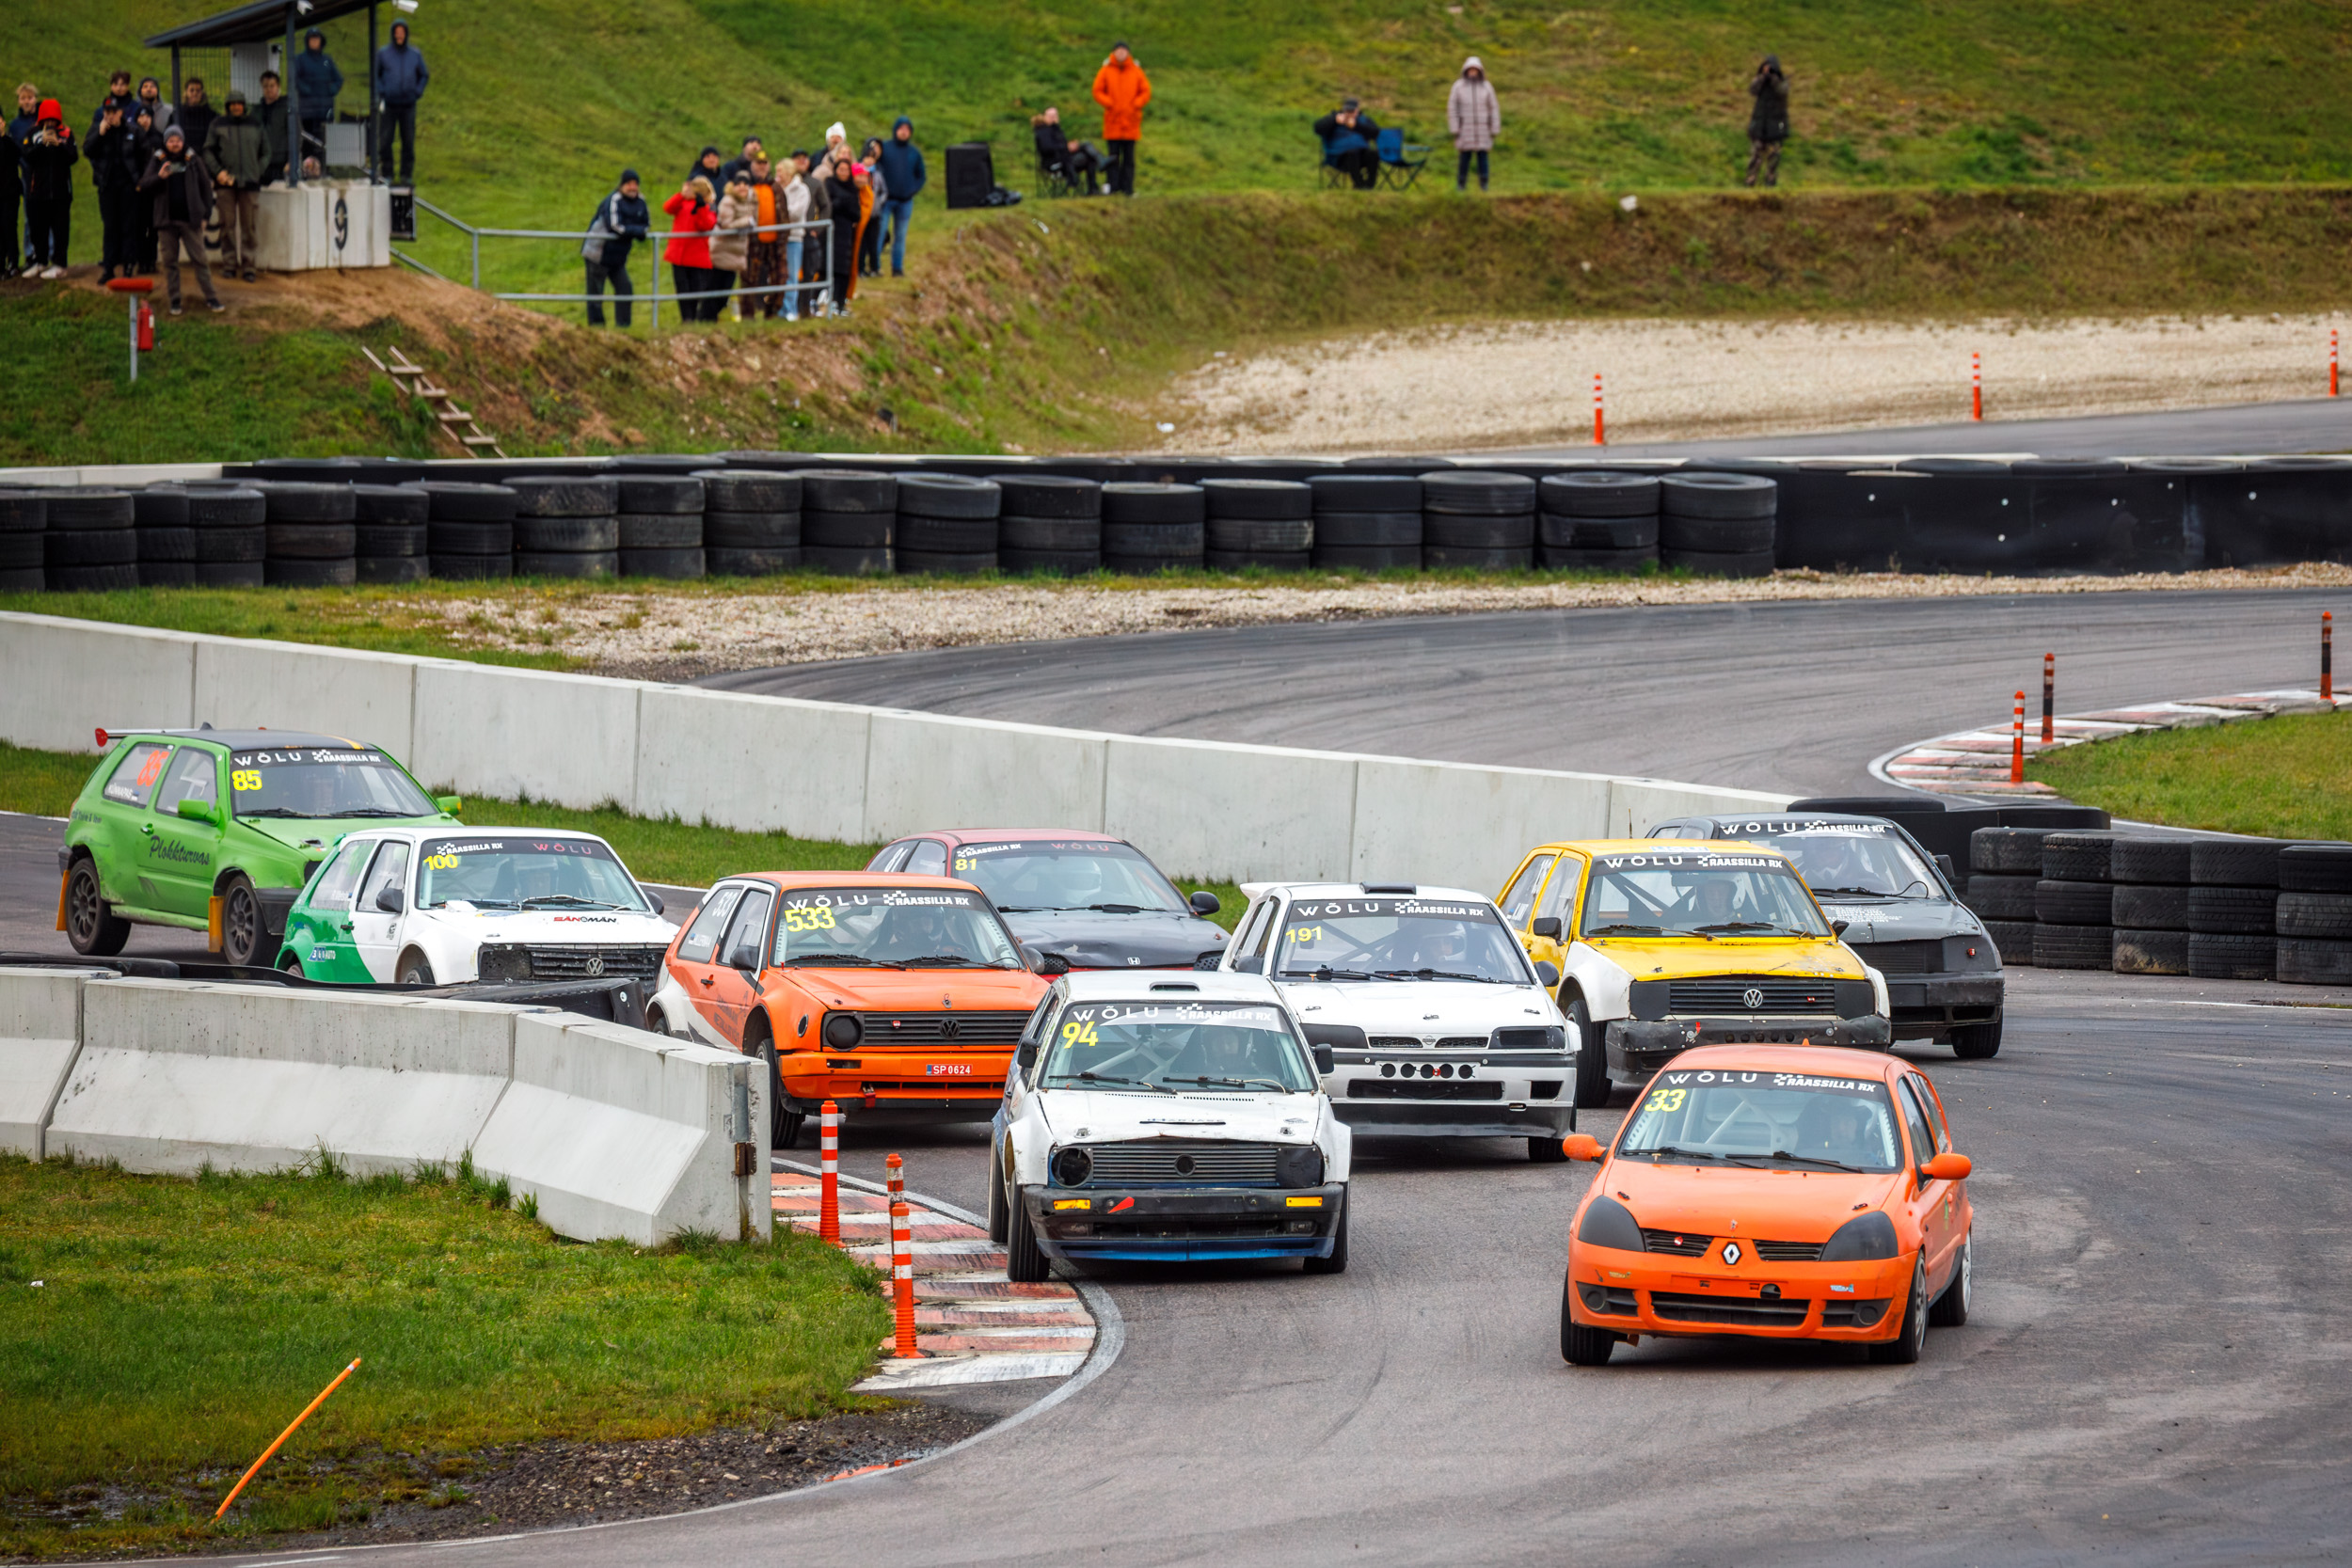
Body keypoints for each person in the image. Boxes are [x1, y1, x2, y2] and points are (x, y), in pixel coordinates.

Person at [139, 123, 221, 313]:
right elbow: (144, 184)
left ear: (183, 141)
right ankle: (175, 300)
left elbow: (206, 188)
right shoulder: (158, 159)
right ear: (165, 142)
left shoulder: (193, 159)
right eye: (171, 140)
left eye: (178, 140)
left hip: (190, 220)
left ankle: (211, 298)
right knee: (170, 263)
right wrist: (160, 177)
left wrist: (206, 215)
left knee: (200, 260)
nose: (175, 144)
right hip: (166, 221)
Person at [206, 90, 267, 282]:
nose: (236, 107)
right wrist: (218, 172)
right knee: (227, 225)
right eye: (232, 104)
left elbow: (266, 152)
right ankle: (229, 264)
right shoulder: (217, 124)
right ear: (227, 106)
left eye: (239, 103)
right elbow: (208, 151)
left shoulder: (255, 124)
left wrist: (257, 171)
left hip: (250, 184)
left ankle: (249, 266)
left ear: (244, 105)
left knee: (249, 227)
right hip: (225, 184)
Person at [581, 167, 649, 326]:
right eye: (629, 184)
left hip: (618, 257)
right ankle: (597, 327)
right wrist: (636, 231)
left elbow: (646, 225)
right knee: (595, 293)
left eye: (635, 184)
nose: (632, 187)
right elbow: (615, 226)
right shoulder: (613, 200)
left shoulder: (641, 202)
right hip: (598, 253)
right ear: (622, 185)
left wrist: (635, 231)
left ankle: (623, 327)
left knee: (625, 289)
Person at [19, 100, 76, 280]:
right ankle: (40, 261)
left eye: (53, 120)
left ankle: (60, 264)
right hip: (38, 191)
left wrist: (58, 145)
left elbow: (73, 157)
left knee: (60, 230)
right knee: (38, 229)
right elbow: (27, 156)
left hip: (61, 192)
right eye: (47, 120)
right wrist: (41, 144)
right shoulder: (32, 133)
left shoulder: (66, 133)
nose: (50, 123)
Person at [1091, 41, 1151, 196]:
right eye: (1118, 51)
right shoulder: (1106, 70)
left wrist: (1136, 104)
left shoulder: (1136, 71)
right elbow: (1097, 91)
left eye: (1123, 51)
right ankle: (1113, 187)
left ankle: (1128, 189)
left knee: (1129, 158)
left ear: (1128, 53)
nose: (1121, 54)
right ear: (1114, 53)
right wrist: (1109, 103)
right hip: (1113, 121)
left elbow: (1145, 91)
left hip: (1131, 121)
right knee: (1113, 157)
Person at [372, 19, 427, 182]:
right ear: (393, 34)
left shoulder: (415, 55)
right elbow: (376, 75)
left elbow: (424, 75)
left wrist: (417, 92)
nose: (399, 35)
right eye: (397, 32)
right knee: (385, 140)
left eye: (402, 32)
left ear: (406, 34)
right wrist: (382, 92)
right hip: (389, 105)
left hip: (408, 105)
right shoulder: (384, 54)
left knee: (408, 141)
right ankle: (387, 173)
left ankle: (406, 175)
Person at [88, 100, 137, 282]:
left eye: (113, 112)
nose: (110, 116)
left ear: (120, 113)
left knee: (128, 225)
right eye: (107, 112)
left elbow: (142, 153)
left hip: (127, 186)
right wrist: (99, 134)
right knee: (110, 226)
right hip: (107, 186)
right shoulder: (98, 130)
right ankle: (109, 268)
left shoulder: (132, 130)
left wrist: (137, 179)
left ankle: (128, 265)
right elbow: (88, 150)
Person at [661, 174, 717, 322]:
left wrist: (701, 207)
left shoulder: (708, 206)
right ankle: (687, 319)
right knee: (682, 289)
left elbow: (706, 225)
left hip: (697, 257)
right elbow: (668, 208)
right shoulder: (683, 203)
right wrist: (681, 195)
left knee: (695, 290)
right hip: (678, 256)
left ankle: (692, 317)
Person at [874, 114, 925, 277]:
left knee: (900, 236)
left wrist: (912, 190)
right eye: (901, 129)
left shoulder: (914, 153)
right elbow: (875, 167)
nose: (904, 132)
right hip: (885, 201)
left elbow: (921, 176)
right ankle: (875, 266)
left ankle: (897, 268)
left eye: (907, 130)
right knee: (880, 233)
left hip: (905, 201)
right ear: (895, 130)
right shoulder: (886, 149)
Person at [739, 153, 787, 318]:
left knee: (780, 278)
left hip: (775, 243)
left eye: (764, 163)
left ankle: (771, 313)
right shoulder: (746, 187)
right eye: (758, 163)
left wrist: (783, 237)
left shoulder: (775, 187)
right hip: (752, 242)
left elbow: (784, 214)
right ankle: (747, 316)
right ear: (752, 165)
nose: (761, 167)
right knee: (749, 280)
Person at [1447, 55, 1499, 192]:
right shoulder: (1458, 87)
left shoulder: (1487, 87)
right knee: (1464, 158)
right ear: (1466, 70)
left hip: (1483, 129)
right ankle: (1461, 184)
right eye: (1470, 70)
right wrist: (1455, 127)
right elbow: (1452, 107)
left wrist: (1494, 128)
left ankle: (1484, 184)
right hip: (1465, 129)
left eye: (1475, 70)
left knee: (1483, 157)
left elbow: (1493, 108)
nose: (1473, 72)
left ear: (1479, 71)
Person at [294, 28, 343, 166]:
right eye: (312, 39)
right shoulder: (301, 59)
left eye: (317, 39)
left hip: (325, 111)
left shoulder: (327, 60)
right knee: (308, 142)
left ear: (321, 41)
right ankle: (307, 170)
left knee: (324, 143)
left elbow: (338, 79)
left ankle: (324, 169)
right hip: (307, 111)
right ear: (307, 41)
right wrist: (307, 91)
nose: (314, 42)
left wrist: (331, 90)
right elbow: (295, 79)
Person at [710, 174, 755, 320]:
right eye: (739, 184)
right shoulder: (728, 201)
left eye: (745, 184)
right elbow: (726, 225)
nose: (742, 187)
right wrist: (746, 221)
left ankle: (711, 318)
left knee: (725, 292)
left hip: (736, 253)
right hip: (722, 251)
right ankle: (706, 318)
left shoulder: (751, 201)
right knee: (715, 289)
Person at [791, 149, 830, 316]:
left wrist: (817, 228)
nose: (801, 162)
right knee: (790, 272)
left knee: (808, 271)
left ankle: (805, 307)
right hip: (790, 233)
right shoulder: (785, 181)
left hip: (807, 233)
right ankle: (789, 307)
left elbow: (825, 206)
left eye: (804, 159)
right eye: (797, 159)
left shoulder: (815, 183)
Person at [1313, 98, 1381, 190]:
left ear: (1357, 111)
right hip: (1339, 157)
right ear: (1343, 109)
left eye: (1352, 111)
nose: (1349, 113)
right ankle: (1359, 184)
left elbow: (1376, 133)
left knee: (1373, 153)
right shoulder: (1334, 118)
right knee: (1352, 153)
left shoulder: (1363, 120)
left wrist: (1356, 126)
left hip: (1362, 155)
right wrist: (1334, 120)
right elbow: (1317, 128)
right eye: (1347, 110)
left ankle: (1369, 185)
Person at [1031, 106, 1102, 194]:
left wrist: (1069, 146)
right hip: (1055, 163)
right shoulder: (1043, 131)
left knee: (1086, 150)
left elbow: (1060, 144)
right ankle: (1099, 164)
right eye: (1050, 116)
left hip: (1064, 159)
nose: (1053, 118)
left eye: (1055, 116)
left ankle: (1093, 186)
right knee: (1087, 152)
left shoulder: (1055, 129)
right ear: (1044, 117)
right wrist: (1066, 147)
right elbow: (1047, 148)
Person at [823, 150, 859, 316]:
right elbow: (829, 206)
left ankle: (840, 302)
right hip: (831, 231)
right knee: (828, 266)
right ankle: (824, 300)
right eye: (841, 169)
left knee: (844, 268)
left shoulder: (852, 188)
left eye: (846, 170)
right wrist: (842, 202)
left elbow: (856, 214)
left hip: (846, 233)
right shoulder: (829, 183)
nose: (844, 173)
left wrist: (842, 203)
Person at [1745, 55, 1789, 187]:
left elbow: (1782, 91)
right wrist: (1763, 77)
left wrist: (1773, 78)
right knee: (1756, 155)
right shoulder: (1760, 81)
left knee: (1774, 155)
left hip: (1776, 124)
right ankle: (1750, 179)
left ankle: (1770, 180)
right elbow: (1752, 90)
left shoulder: (1782, 81)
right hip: (1760, 123)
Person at [129, 102, 163, 272]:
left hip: (155, 189)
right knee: (139, 227)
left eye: (148, 116)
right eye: (141, 116)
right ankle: (141, 261)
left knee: (154, 227)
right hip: (138, 189)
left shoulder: (159, 138)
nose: (145, 120)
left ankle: (152, 261)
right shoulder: (131, 137)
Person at [857, 136, 887, 278]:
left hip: (875, 214)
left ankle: (875, 267)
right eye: (867, 157)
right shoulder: (859, 175)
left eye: (872, 158)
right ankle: (860, 269)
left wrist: (878, 203)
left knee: (873, 243)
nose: (869, 161)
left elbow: (884, 191)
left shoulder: (878, 175)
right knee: (862, 243)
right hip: (863, 213)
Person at [256, 71, 289, 184]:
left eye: (272, 86)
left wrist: (291, 161)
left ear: (278, 86)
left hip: (280, 162)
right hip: (261, 162)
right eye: (265, 86)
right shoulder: (257, 111)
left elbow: (296, 136)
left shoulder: (286, 110)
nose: (269, 89)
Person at [89, 71, 136, 143]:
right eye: (115, 84)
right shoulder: (100, 111)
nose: (118, 88)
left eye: (122, 85)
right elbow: (92, 135)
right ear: (111, 86)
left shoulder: (136, 108)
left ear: (128, 85)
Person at [176, 79, 217, 160]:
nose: (195, 93)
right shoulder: (178, 114)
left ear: (202, 93)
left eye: (198, 91)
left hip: (205, 156)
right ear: (186, 93)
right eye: (192, 90)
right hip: (182, 156)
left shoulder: (211, 115)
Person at [0, 116, 18, 280]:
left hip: (10, 194)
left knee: (9, 227)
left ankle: (13, 262)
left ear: (3, 123)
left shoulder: (10, 144)